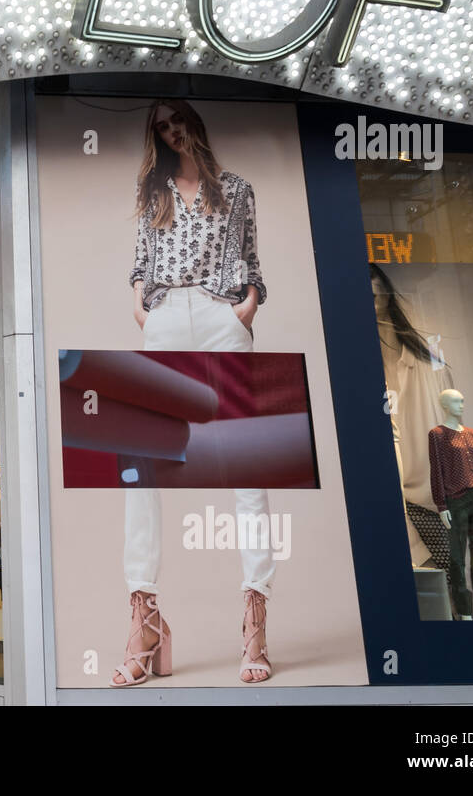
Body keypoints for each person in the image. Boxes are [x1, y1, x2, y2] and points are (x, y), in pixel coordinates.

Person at [113, 98, 273, 687]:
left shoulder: (237, 189)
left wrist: (246, 307)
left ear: (193, 123)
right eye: (160, 128)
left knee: (246, 464)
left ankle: (255, 616)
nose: (172, 132)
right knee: (141, 465)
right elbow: (139, 263)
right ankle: (143, 618)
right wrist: (141, 310)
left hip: (218, 316)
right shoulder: (152, 196)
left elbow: (253, 260)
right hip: (164, 317)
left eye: (177, 120)